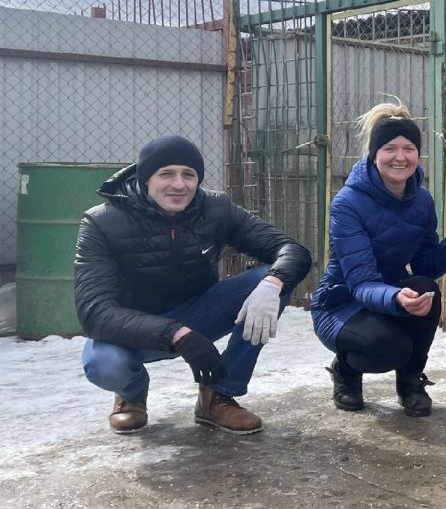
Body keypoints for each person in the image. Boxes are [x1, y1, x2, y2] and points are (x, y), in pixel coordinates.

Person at [76, 135, 312, 435]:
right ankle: (132, 394)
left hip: (200, 313)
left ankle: (218, 396)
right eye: (166, 174)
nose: (179, 184)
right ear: (146, 177)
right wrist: (176, 334)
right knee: (104, 364)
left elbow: (291, 251)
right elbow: (94, 312)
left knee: (269, 280)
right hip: (131, 329)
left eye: (189, 175)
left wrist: (273, 283)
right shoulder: (102, 223)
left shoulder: (215, 208)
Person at [311, 102, 446, 417]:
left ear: (418, 154)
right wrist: (397, 296)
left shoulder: (422, 200)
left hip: (390, 296)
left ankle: (411, 380)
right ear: (374, 154)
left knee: (427, 288)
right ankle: (345, 369)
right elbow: (359, 282)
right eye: (390, 148)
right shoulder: (347, 204)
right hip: (342, 304)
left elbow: (425, 265)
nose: (400, 157)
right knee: (391, 349)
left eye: (409, 148)